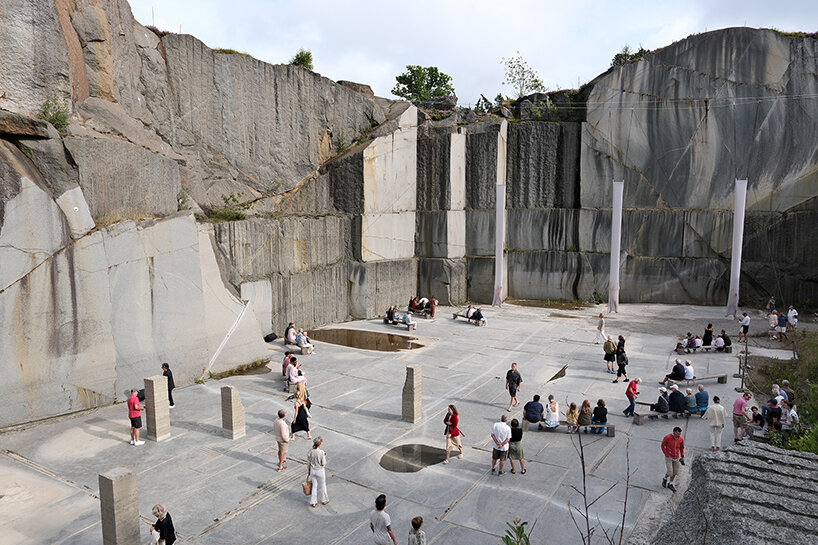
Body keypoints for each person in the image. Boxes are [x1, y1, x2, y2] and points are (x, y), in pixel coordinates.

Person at [661, 427, 685, 492]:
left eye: (680, 434)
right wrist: (666, 453)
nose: (679, 435)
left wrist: (682, 456)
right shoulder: (667, 437)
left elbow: (681, 448)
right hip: (669, 457)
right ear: (674, 432)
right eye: (678, 433)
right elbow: (663, 445)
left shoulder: (681, 439)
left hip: (676, 457)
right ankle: (665, 479)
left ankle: (670, 483)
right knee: (670, 472)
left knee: (675, 472)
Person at [307, 436, 329, 507]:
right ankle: (324, 499)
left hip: (313, 470)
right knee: (323, 485)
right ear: (320, 444)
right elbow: (324, 463)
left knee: (314, 486)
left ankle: (313, 502)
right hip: (320, 470)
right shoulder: (321, 452)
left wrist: (309, 470)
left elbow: (309, 462)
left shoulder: (310, 451)